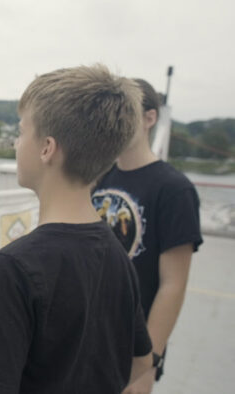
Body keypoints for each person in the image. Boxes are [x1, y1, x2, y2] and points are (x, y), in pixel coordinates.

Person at [0, 65, 154, 393]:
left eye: (21, 132)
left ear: (47, 148)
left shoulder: (13, 266)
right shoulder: (119, 255)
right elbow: (142, 362)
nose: (16, 144)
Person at [92, 78, 203, 393]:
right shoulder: (97, 179)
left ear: (149, 118)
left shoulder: (174, 189)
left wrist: (147, 361)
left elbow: (173, 284)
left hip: (132, 343)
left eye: (124, 112)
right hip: (87, 336)